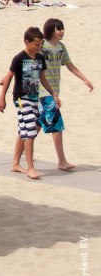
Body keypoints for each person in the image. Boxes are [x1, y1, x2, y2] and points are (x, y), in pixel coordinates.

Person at [0, 26, 60, 180]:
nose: (39, 47)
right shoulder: (19, 58)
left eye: (40, 44)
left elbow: (43, 78)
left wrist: (53, 94)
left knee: (24, 130)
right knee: (31, 129)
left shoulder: (39, 58)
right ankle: (30, 167)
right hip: (20, 98)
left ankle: (15, 164)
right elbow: (9, 77)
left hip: (33, 97)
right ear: (27, 42)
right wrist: (2, 98)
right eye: (36, 44)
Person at [38, 18, 94, 171]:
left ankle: (22, 152)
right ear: (50, 30)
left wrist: (84, 79)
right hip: (43, 91)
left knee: (36, 123)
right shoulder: (41, 46)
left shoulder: (61, 47)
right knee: (56, 124)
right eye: (58, 29)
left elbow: (70, 66)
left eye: (62, 28)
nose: (62, 31)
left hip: (52, 91)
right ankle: (61, 161)